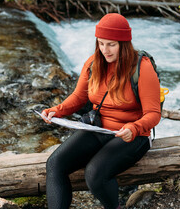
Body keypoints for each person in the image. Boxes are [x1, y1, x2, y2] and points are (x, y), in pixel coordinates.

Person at [42, 13, 161, 209]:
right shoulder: (93, 64)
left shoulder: (142, 67)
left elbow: (153, 114)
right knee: (55, 164)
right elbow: (79, 97)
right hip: (99, 129)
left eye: (111, 44)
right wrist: (57, 110)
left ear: (124, 43)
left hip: (133, 135)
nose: (105, 50)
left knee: (94, 174)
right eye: (101, 43)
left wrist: (134, 127)